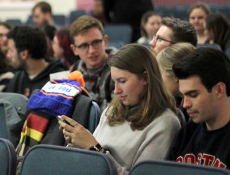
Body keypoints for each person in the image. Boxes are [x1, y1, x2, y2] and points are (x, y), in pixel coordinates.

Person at [59, 44, 180, 175]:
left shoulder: (165, 123)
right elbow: (90, 156)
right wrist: (76, 144)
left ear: (145, 78)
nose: (116, 90)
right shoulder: (113, 109)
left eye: (122, 81)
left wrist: (95, 149)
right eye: (114, 81)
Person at [169, 47, 230, 174]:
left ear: (219, 90)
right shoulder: (188, 131)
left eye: (193, 94)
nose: (185, 104)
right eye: (183, 96)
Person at [69, 15, 118, 109]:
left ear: (105, 41)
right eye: (84, 46)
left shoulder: (120, 68)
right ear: (74, 49)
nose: (91, 51)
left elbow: (118, 112)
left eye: (96, 42)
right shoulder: (74, 70)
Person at [6, 25, 65, 97]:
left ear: (24, 54)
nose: (8, 55)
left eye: (11, 51)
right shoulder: (18, 78)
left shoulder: (59, 79)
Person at [156, 43, 195, 112]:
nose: (157, 79)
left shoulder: (194, 108)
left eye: (159, 74)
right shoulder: (177, 102)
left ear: (176, 76)